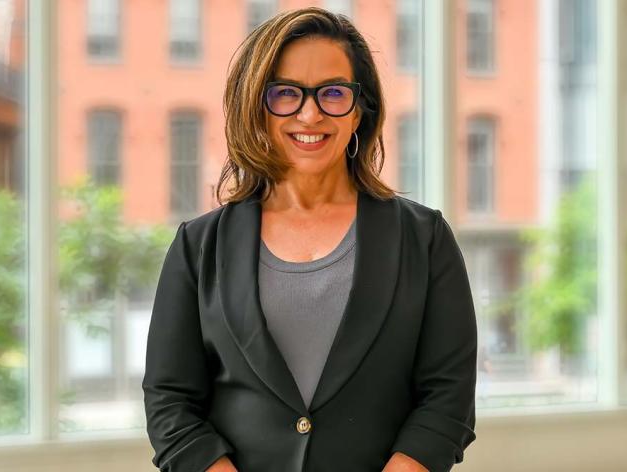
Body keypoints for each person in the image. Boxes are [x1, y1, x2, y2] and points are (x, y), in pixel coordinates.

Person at [142, 7, 477, 472]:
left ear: (361, 108)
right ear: (256, 105)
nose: (310, 113)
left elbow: (448, 398)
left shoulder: (424, 240)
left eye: (333, 92)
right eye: (285, 93)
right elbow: (170, 403)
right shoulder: (198, 247)